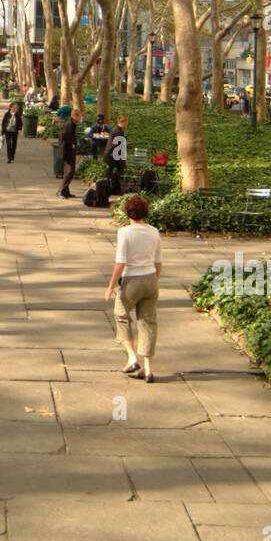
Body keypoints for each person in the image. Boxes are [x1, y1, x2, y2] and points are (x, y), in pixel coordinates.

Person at [105, 193, 162, 382]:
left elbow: (120, 263)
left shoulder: (125, 233)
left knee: (121, 315)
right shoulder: (154, 231)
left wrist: (111, 286)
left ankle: (131, 357)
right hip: (150, 279)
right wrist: (155, 280)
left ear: (128, 213)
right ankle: (148, 368)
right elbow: (158, 262)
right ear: (145, 213)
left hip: (132, 280)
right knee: (148, 322)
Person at [56, 107, 81, 198]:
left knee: (68, 171)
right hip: (67, 151)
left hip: (69, 151)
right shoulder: (69, 124)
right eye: (79, 116)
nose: (80, 118)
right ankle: (61, 190)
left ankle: (66, 191)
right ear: (75, 116)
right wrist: (72, 144)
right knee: (70, 171)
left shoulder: (72, 124)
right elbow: (64, 136)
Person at [103, 114, 128, 193]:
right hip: (113, 155)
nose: (127, 124)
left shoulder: (116, 129)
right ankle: (115, 187)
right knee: (119, 169)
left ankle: (112, 186)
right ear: (124, 122)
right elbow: (118, 145)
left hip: (111, 154)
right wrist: (123, 154)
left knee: (111, 170)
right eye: (126, 122)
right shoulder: (118, 131)